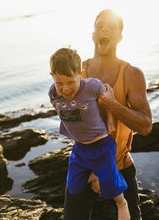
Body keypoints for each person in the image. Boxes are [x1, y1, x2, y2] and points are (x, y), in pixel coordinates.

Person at [64, 9, 152, 220]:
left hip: (119, 164)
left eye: (112, 27)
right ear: (93, 34)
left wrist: (113, 105)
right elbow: (63, 107)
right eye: (100, 25)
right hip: (84, 164)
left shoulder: (131, 74)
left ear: (120, 37)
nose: (105, 29)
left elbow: (146, 126)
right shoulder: (78, 72)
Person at [49, 47, 130, 220]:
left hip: (102, 146)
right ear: (52, 77)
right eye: (59, 83)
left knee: (112, 189)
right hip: (79, 148)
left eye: (71, 82)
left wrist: (110, 121)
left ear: (80, 73)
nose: (65, 88)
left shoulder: (92, 86)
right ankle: (95, 173)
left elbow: (108, 99)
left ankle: (122, 204)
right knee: (74, 186)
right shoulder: (53, 92)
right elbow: (58, 106)